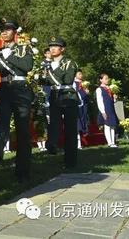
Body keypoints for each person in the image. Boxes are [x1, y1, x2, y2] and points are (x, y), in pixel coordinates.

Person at [0, 19, 35, 182]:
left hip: (21, 89)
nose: (4, 32)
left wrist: (10, 56)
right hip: (5, 90)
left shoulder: (23, 48)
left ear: (15, 32)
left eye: (8, 29)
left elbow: (27, 67)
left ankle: (23, 170)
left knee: (22, 130)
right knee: (1, 124)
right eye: (2, 30)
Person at [44, 37, 79, 168]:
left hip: (68, 96)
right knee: (53, 125)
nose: (52, 48)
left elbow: (67, 79)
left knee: (70, 129)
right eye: (50, 46)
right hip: (54, 96)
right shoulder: (47, 64)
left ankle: (70, 161)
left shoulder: (70, 63)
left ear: (62, 49)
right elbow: (44, 81)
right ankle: (52, 146)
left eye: (55, 46)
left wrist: (49, 72)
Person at [96, 73, 118, 148]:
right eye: (105, 78)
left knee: (112, 125)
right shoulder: (99, 89)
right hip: (105, 109)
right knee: (107, 125)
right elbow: (99, 101)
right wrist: (102, 111)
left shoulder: (109, 88)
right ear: (101, 80)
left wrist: (114, 98)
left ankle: (113, 142)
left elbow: (112, 100)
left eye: (107, 78)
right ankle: (109, 142)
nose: (107, 80)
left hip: (111, 108)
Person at [74, 70, 89, 149]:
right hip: (77, 106)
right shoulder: (74, 84)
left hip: (84, 106)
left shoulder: (84, 84)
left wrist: (86, 93)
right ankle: (78, 144)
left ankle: (83, 140)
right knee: (77, 124)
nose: (81, 75)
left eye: (81, 74)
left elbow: (85, 96)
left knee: (84, 121)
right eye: (79, 74)